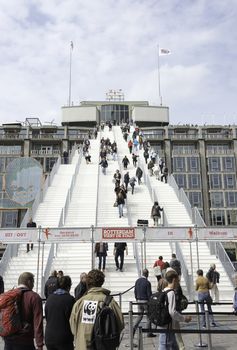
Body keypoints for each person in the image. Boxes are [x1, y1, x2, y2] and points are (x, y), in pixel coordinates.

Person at [69, 269, 124, 350]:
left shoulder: (79, 303)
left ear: (87, 283)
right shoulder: (110, 302)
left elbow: (73, 328)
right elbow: (120, 324)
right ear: (102, 282)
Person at [3, 272, 44, 350]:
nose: (33, 285)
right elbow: (38, 323)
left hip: (8, 342)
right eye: (33, 282)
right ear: (29, 282)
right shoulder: (34, 297)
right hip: (25, 342)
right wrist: (40, 345)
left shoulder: (8, 295)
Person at [159, 270, 191, 350]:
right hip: (168, 325)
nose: (178, 282)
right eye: (178, 280)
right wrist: (184, 319)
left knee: (174, 346)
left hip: (166, 324)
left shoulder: (164, 290)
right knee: (164, 345)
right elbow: (172, 312)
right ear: (174, 280)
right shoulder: (171, 293)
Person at [45, 275, 75, 350]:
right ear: (69, 286)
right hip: (64, 337)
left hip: (49, 337)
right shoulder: (70, 300)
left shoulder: (49, 298)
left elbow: (47, 316)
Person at [133, 269, 156, 339]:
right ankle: (149, 332)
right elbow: (149, 294)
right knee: (149, 316)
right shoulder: (147, 282)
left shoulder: (137, 281)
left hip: (138, 301)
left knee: (139, 316)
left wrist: (137, 299)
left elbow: (135, 291)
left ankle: (133, 329)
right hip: (145, 301)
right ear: (147, 274)